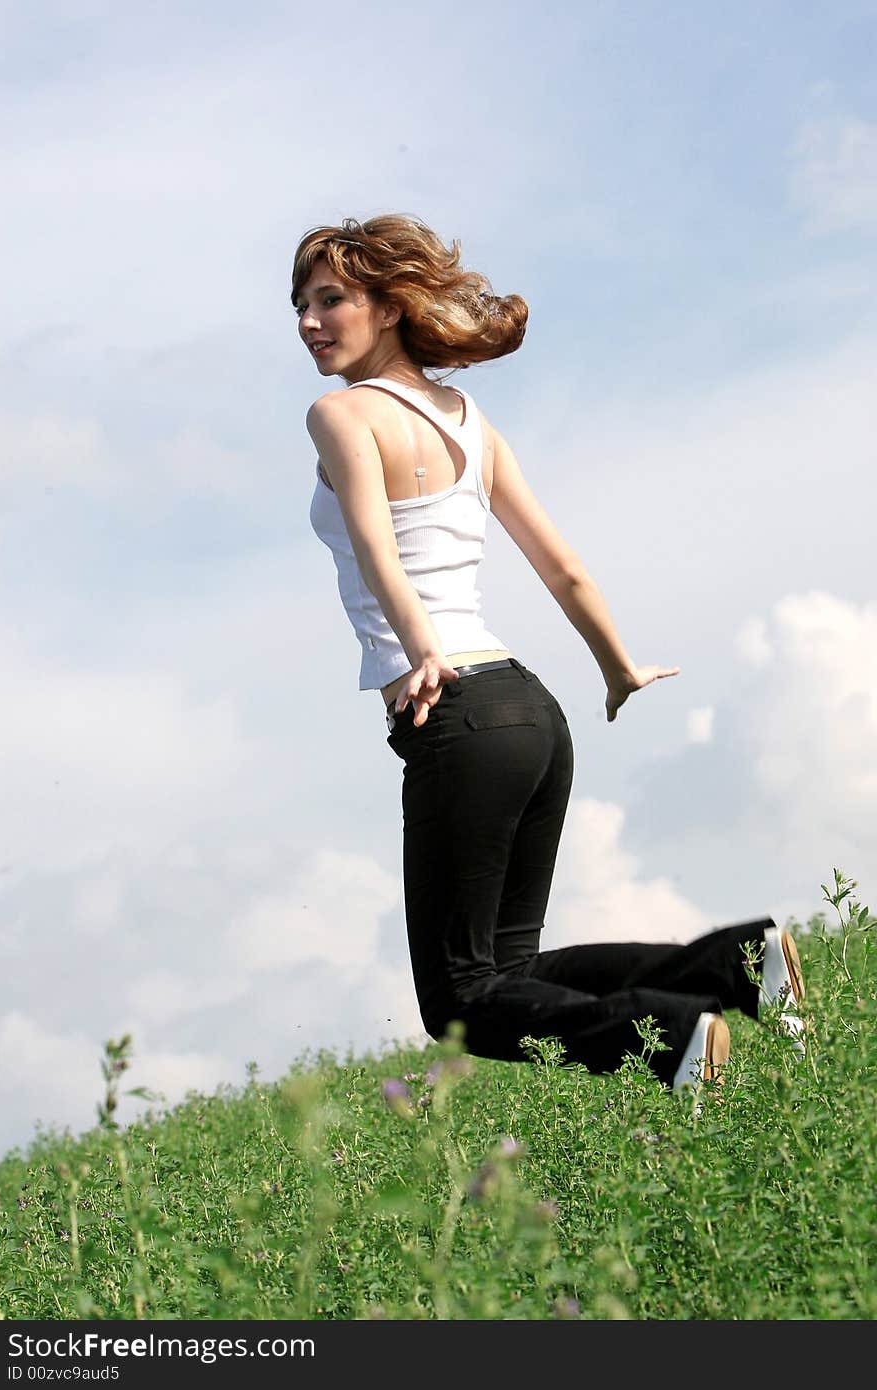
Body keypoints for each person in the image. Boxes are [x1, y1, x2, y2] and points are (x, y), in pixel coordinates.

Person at [294, 213, 805, 1098]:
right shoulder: (469, 422)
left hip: (455, 709)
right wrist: (616, 666)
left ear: (386, 305)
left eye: (330, 299)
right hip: (531, 712)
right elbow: (562, 566)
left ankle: (680, 1041)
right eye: (299, 305)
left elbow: (378, 548)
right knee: (507, 974)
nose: (308, 321)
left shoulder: (341, 417)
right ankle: (739, 965)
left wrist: (421, 653)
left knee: (460, 1005)